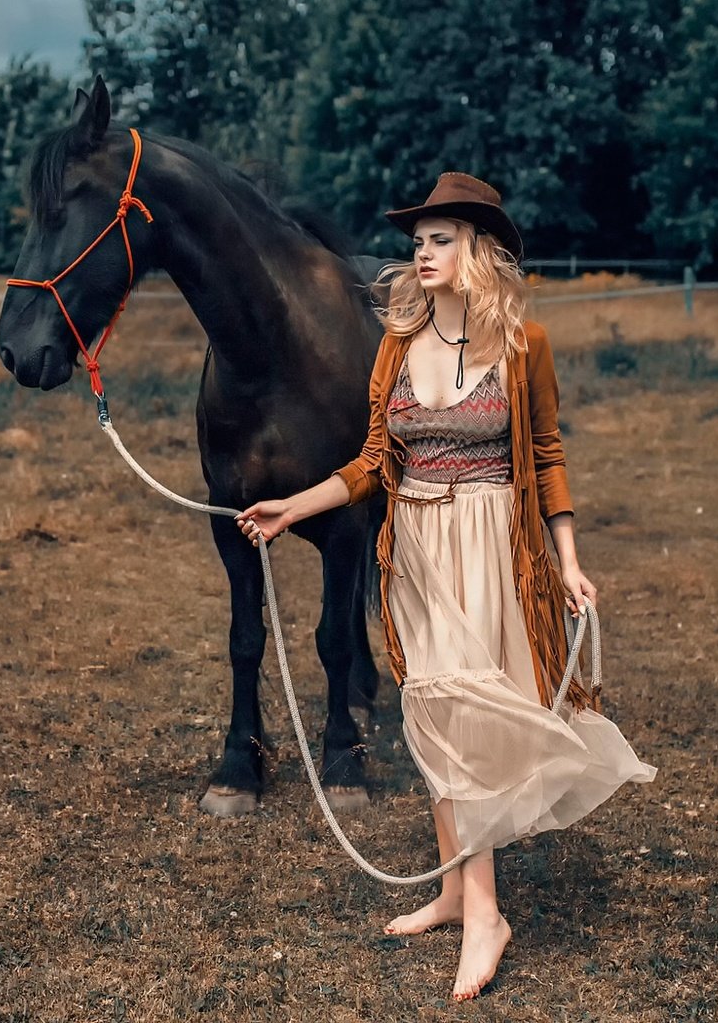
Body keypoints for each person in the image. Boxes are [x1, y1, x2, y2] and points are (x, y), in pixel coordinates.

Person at [235, 173, 656, 1002]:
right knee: (431, 710)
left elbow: (546, 458)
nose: (422, 253)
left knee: (466, 712)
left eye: (440, 239)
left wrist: (567, 561)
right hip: (418, 548)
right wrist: (292, 507)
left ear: (480, 250)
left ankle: (487, 916)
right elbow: (369, 464)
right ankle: (458, 890)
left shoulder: (524, 345)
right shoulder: (398, 344)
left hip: (491, 545)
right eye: (418, 240)